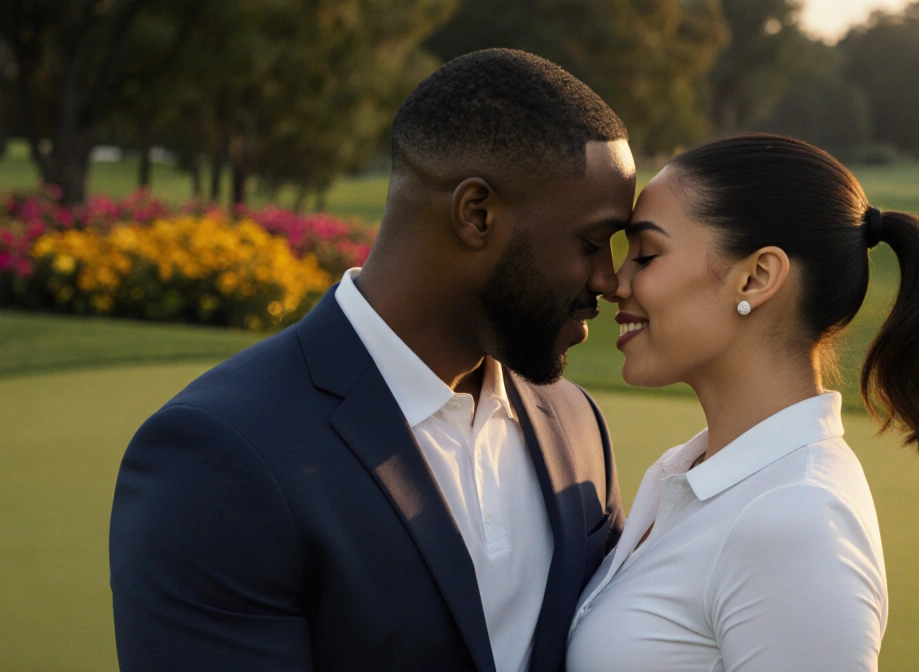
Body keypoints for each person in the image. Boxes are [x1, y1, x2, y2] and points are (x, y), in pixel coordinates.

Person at [109, 49, 633, 672]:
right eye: (591, 242)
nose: (610, 278)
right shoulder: (219, 455)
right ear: (477, 214)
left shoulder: (576, 425)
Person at [566, 133, 919, 671]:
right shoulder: (695, 473)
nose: (614, 283)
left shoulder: (796, 517)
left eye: (646, 255)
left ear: (757, 277)